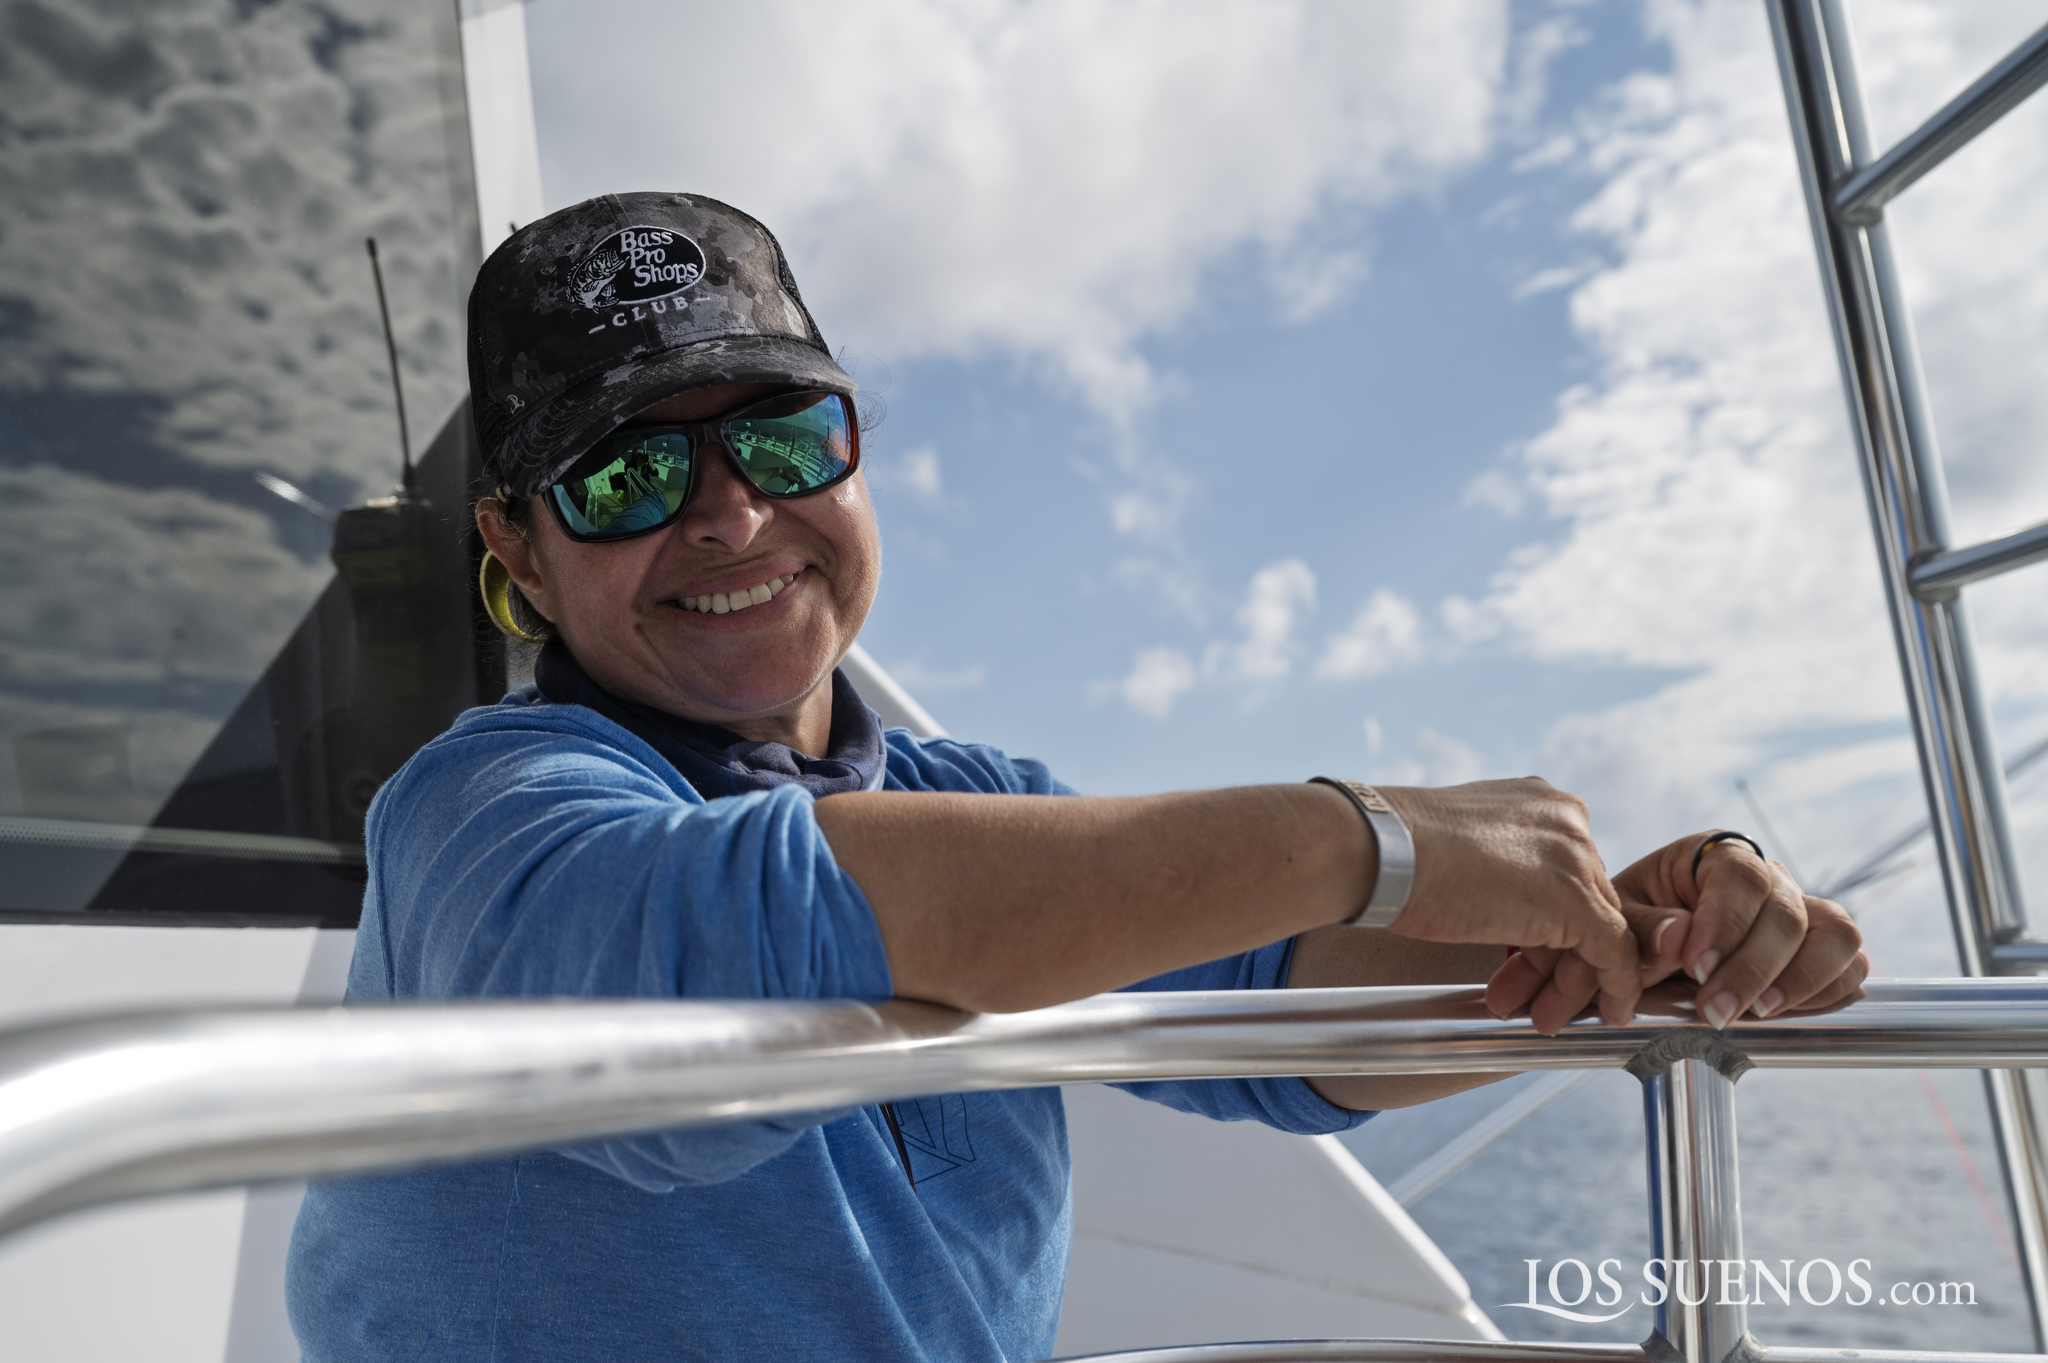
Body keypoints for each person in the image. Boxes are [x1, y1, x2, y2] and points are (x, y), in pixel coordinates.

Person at [285, 192, 1866, 1362]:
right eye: (628, 474)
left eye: (780, 439)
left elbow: (1285, 1002)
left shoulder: (983, 800)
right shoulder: (480, 814)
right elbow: (722, 946)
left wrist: (1623, 934)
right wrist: (1365, 835)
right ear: (520, 551)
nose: (733, 517)